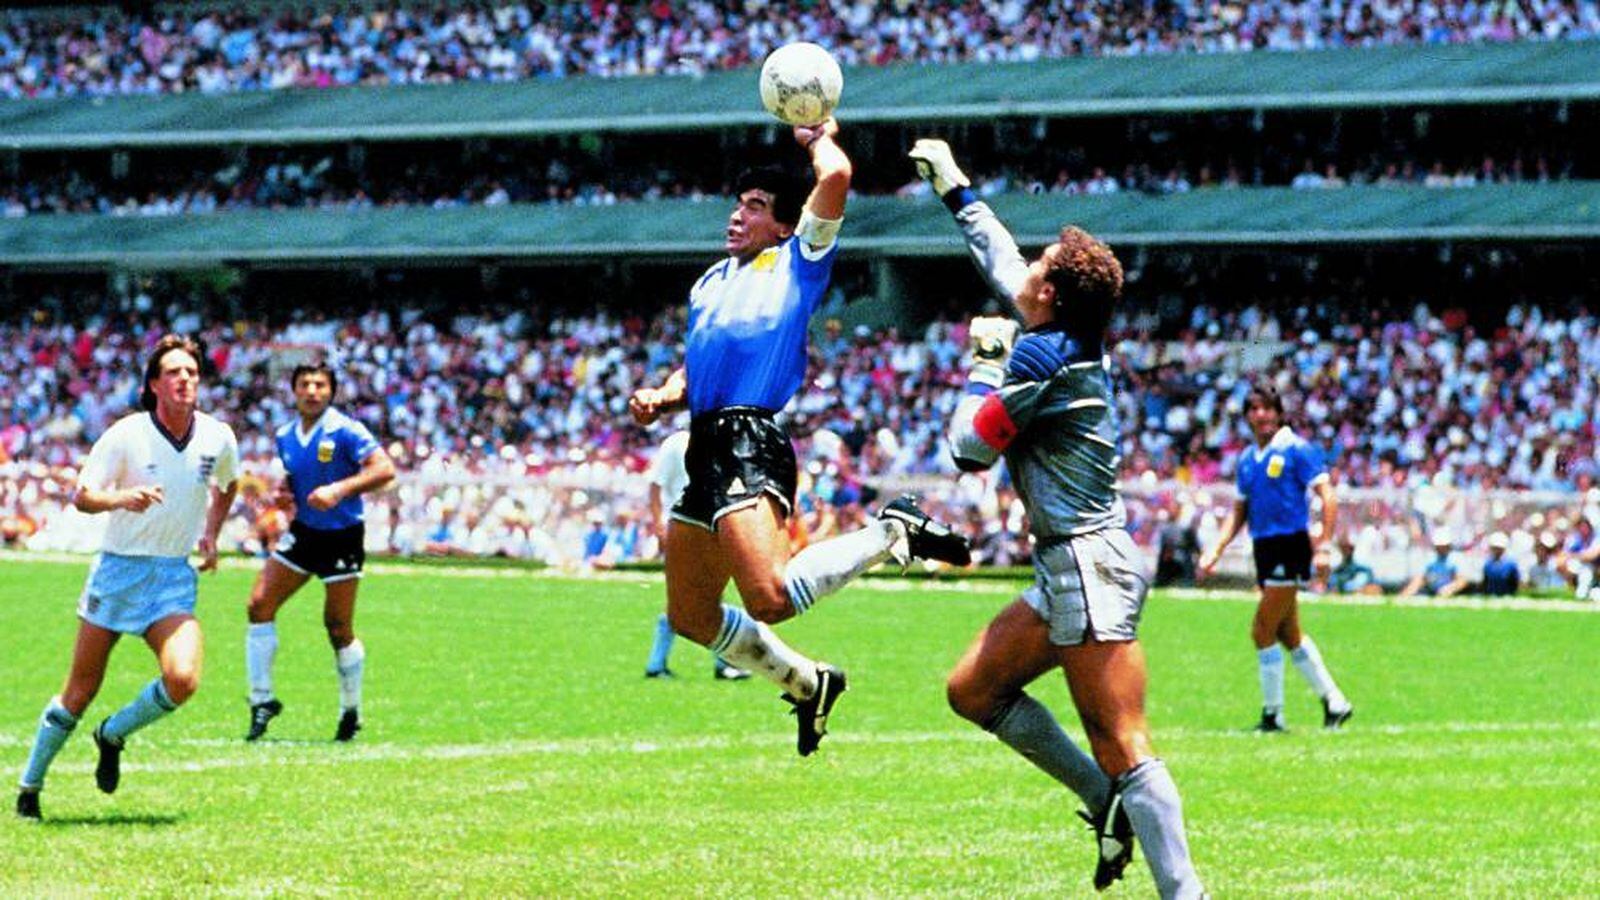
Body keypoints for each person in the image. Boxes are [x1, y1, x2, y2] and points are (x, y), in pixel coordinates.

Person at [909, 138, 1204, 898]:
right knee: (973, 689)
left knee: (1123, 740)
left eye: (1040, 269)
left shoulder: (1042, 361)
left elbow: (966, 450)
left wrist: (979, 365)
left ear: (1052, 297)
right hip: (1071, 562)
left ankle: (1186, 892)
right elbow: (1004, 264)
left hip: (1087, 561)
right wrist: (955, 188)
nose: (1027, 272)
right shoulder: (1058, 335)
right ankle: (1107, 804)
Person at [628, 118, 970, 758]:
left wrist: (817, 137)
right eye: (737, 204)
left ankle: (890, 532)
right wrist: (663, 395)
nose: (737, 215)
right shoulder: (709, 282)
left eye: (754, 207)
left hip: (750, 438)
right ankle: (809, 683)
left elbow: (837, 175)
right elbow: (698, 364)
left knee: (771, 596)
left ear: (785, 224)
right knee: (691, 616)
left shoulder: (797, 261)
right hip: (705, 439)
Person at [16, 335, 239, 820]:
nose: (185, 379)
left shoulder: (217, 436)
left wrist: (211, 534)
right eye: (174, 372)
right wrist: (122, 498)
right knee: (80, 690)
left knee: (182, 678)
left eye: (192, 372)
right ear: (154, 384)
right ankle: (29, 786)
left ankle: (113, 733)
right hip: (118, 569)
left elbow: (229, 481)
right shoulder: (126, 435)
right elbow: (82, 495)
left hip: (173, 576)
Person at [242, 363, 396, 742]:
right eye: (305, 384)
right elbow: (296, 479)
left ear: (331, 391)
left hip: (342, 536)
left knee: (338, 627)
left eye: (320, 385)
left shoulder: (345, 429)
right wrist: (285, 494)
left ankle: (350, 710)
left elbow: (385, 469)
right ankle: (262, 700)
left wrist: (339, 490)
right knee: (259, 605)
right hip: (304, 534)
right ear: (294, 391)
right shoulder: (285, 436)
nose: (312, 391)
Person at [1198, 383, 1354, 733]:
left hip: (1290, 545)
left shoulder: (1297, 449)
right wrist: (1216, 549)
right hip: (1264, 547)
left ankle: (1273, 714)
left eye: (1266, 408)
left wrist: (1325, 546)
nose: (1260, 415)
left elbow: (1327, 496)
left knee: (1261, 630)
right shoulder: (1247, 460)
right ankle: (1335, 702)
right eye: (1253, 409)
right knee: (1289, 633)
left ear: (1278, 413)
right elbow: (1239, 511)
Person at [643, 430, 750, 681]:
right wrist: (659, 524)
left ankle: (659, 664)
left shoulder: (721, 443)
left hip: (710, 527)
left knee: (701, 596)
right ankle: (719, 664)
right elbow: (655, 485)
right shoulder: (677, 443)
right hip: (681, 527)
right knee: (691, 597)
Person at [1398, 530, 1471, 599]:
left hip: (1454, 594)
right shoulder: (1430, 559)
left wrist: (1450, 588)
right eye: (1439, 545)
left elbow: (1463, 580)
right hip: (1432, 592)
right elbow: (1419, 579)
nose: (1441, 548)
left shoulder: (1456, 558)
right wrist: (1407, 593)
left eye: (1443, 545)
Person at [1479, 532, 1521, 597]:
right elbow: (1485, 583)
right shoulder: (1488, 564)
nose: (1497, 550)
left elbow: (1515, 583)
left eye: (1499, 548)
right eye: (1495, 548)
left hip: (1507, 597)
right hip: (1491, 596)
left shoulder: (1511, 564)